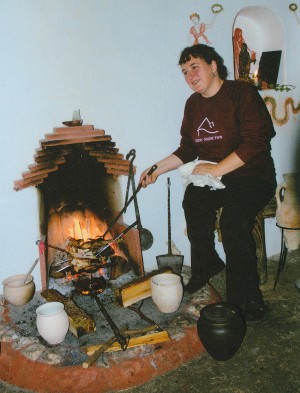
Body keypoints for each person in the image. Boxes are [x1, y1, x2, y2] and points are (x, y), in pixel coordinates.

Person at [139, 44, 277, 322]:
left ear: (213, 65)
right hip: (217, 176)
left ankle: (246, 300)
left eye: (194, 67)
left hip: (252, 175)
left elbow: (256, 143)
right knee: (193, 200)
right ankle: (207, 264)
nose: (189, 75)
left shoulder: (242, 93)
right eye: (184, 71)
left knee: (233, 224)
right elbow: (188, 148)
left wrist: (215, 171)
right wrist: (156, 168)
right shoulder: (193, 104)